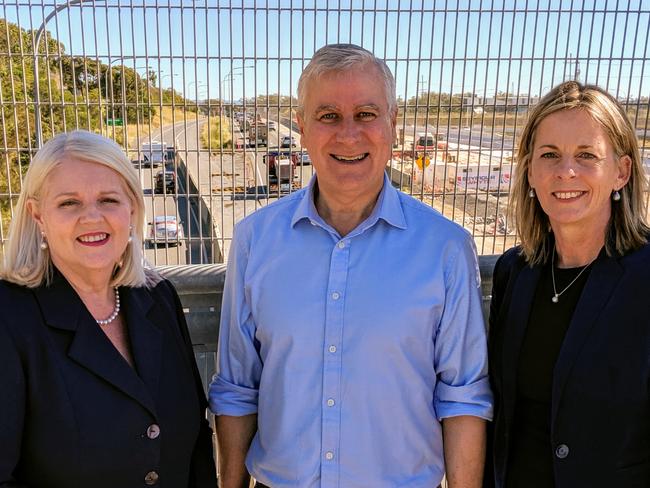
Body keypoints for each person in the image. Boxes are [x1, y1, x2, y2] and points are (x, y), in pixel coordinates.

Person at [210, 43, 493, 488]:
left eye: (366, 114)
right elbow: (237, 387)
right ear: (301, 129)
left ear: (393, 125)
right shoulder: (254, 242)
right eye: (328, 116)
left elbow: (462, 399)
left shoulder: (446, 249)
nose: (348, 135)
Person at [0, 130, 217, 487]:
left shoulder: (158, 298)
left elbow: (194, 444)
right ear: (38, 215)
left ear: (132, 207)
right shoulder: (10, 318)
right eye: (69, 203)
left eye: (108, 200)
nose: (92, 217)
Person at [485, 81, 650, 488]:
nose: (566, 171)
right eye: (549, 155)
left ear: (621, 172)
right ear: (529, 171)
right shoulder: (515, 273)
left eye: (586, 155)